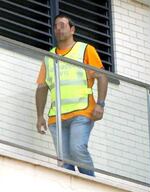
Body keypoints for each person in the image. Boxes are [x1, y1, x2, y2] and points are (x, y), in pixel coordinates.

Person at [35, 14, 108, 177]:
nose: (58, 28)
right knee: (64, 161)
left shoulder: (85, 50)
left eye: (62, 25)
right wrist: (40, 116)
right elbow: (42, 87)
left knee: (77, 149)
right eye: (55, 26)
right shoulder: (49, 57)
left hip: (82, 112)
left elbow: (102, 76)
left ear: (72, 29)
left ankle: (91, 185)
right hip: (57, 118)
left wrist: (101, 104)